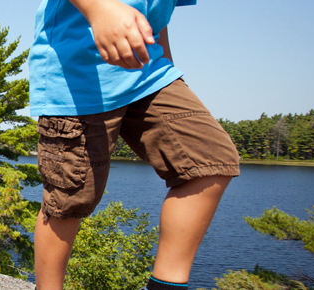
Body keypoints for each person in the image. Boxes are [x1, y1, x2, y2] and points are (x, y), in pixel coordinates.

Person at [28, 1, 240, 289]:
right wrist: (98, 9)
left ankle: (164, 286)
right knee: (70, 197)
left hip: (150, 72)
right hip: (78, 75)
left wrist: (167, 70)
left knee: (209, 160)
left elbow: (157, 19)